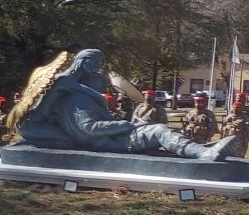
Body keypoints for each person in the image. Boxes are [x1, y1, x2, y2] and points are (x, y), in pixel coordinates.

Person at [13, 48, 235, 160]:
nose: (100, 71)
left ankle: (200, 150)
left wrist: (117, 119)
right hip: (107, 141)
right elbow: (88, 131)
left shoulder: (81, 94)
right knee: (158, 131)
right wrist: (126, 126)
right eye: (97, 64)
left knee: (158, 132)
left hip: (111, 136)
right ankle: (203, 154)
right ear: (84, 63)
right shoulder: (73, 94)